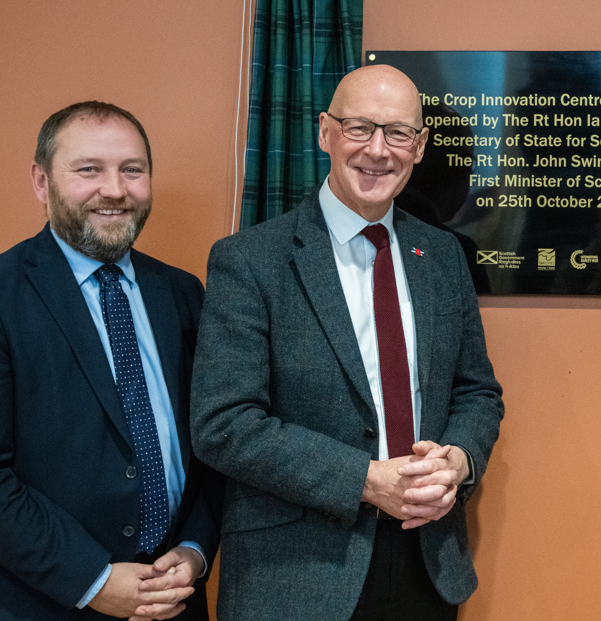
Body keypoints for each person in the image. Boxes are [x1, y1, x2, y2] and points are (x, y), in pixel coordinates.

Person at [191, 64, 504, 621]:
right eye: (359, 127)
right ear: (324, 133)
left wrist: (457, 461)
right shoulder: (249, 261)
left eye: (398, 133)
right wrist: (364, 480)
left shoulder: (443, 256)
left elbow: (477, 391)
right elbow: (224, 424)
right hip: (294, 576)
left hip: (425, 564)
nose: (378, 151)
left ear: (421, 145)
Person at [0, 102, 222, 621]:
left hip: (175, 600)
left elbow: (214, 442)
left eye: (132, 170)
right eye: (89, 170)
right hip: (46, 601)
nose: (115, 190)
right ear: (41, 180)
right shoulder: (5, 296)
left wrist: (194, 550)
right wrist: (93, 578)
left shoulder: (183, 292)